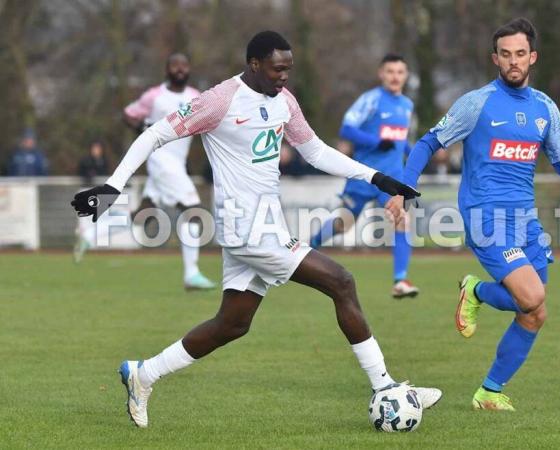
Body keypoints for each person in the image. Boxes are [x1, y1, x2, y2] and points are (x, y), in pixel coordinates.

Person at [70, 31, 441, 428]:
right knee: (341, 281)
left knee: (233, 323)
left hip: (266, 223)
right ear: (254, 65)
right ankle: (385, 387)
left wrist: (377, 178)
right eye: (277, 69)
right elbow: (154, 134)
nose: (284, 77)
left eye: (289, 69)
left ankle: (143, 375)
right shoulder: (219, 100)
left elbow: (314, 150)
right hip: (245, 228)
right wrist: (113, 185)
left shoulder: (284, 101)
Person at [386, 18, 560, 411]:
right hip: (485, 215)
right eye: (505, 54)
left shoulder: (545, 108)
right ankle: (474, 289)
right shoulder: (477, 102)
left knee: (534, 312)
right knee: (532, 295)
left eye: (520, 54)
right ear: (495, 58)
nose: (513, 61)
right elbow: (426, 143)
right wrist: (403, 189)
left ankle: (489, 391)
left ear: (533, 57)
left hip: (525, 219)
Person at [310, 54, 418, 299]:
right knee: (343, 223)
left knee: (402, 220)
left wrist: (417, 155)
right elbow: (346, 129)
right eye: (390, 71)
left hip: (391, 180)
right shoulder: (370, 100)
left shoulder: (407, 105)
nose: (395, 76)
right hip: (364, 176)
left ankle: (400, 280)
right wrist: (376, 142)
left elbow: (399, 142)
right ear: (381, 73)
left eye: (400, 72)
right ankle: (311, 244)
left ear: (406, 76)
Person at [121, 52, 215, 290]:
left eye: (184, 65)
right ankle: (191, 274)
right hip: (161, 160)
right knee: (193, 212)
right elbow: (129, 114)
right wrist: (143, 127)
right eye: (175, 65)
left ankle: (91, 232)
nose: (180, 69)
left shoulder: (195, 97)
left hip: (176, 162)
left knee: (145, 213)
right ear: (167, 70)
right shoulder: (154, 96)